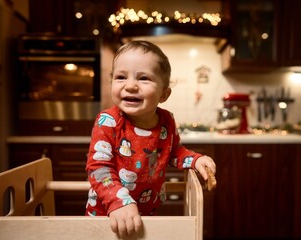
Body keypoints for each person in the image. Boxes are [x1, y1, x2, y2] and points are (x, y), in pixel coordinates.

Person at [85, 40, 216, 238]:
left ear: (164, 94)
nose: (130, 86)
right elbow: (98, 167)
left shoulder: (167, 121)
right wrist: (118, 203)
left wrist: (196, 159)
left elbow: (174, 152)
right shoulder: (108, 121)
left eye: (144, 78)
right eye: (121, 77)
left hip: (148, 215)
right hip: (107, 216)